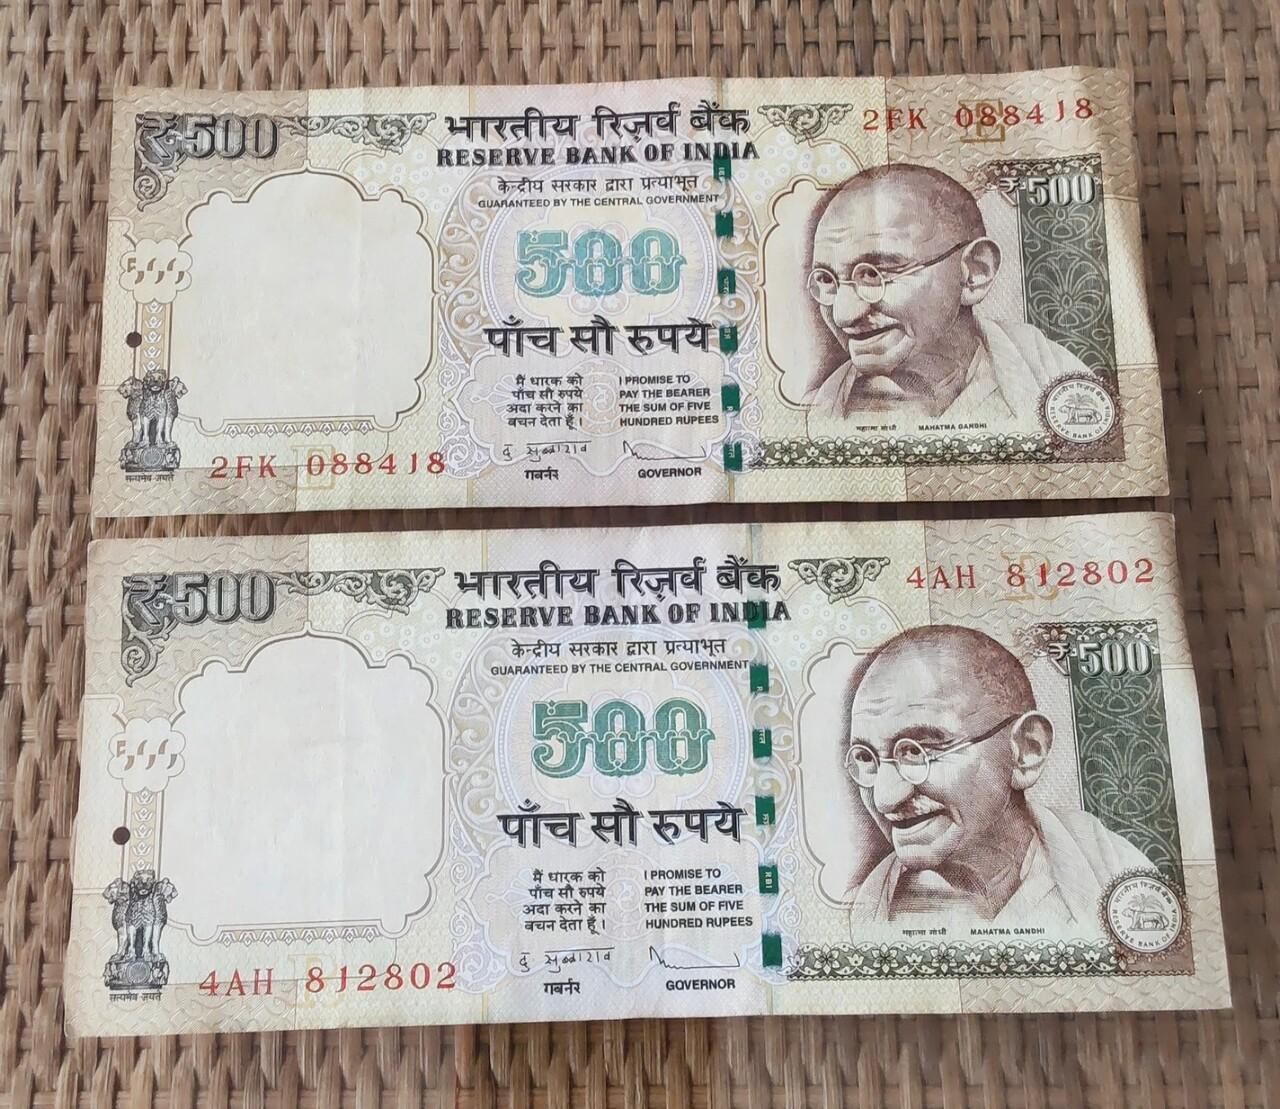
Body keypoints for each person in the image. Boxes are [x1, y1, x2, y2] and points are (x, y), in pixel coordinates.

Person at [843, 625, 1156, 924]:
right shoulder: (859, 913)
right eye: (866, 758)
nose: (885, 798)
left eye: (920, 751)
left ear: (1026, 752)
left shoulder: (1121, 877)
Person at [805, 164, 1092, 420]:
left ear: (974, 273)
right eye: (827, 280)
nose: (843, 315)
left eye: (875, 273)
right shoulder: (813, 414)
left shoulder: (1058, 381)